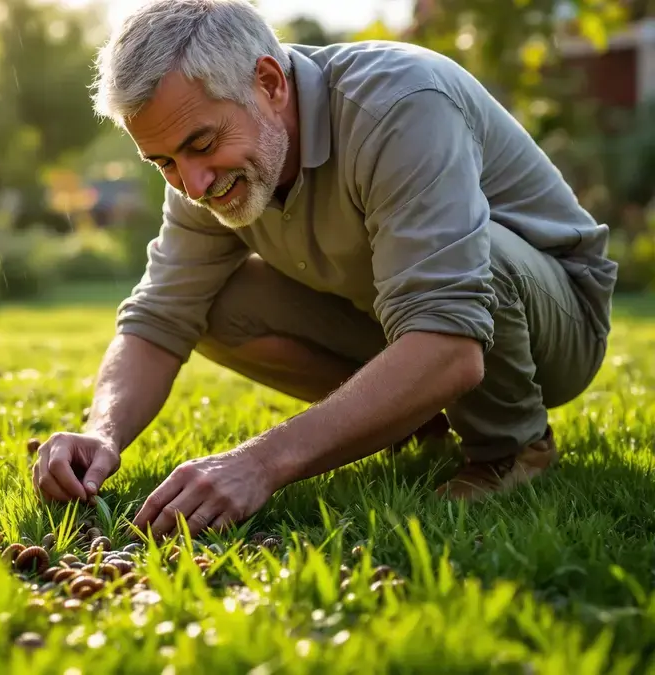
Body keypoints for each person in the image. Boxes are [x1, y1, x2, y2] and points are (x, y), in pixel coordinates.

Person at [30, 0, 618, 539]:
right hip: (398, 317)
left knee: (477, 255)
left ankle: (511, 447)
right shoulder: (201, 172)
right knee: (211, 302)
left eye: (203, 144)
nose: (193, 183)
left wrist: (260, 463)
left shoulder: (399, 106)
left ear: (269, 82)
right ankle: (409, 420)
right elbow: (160, 316)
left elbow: (451, 340)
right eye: (163, 162)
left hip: (555, 324)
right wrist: (101, 431)